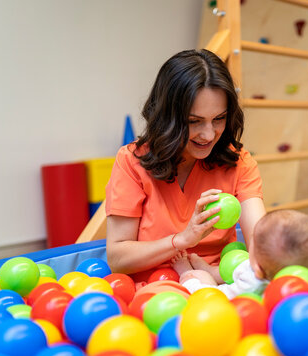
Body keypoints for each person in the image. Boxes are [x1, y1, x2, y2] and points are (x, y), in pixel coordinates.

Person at [105, 49, 266, 285]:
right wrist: (182, 239)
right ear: (167, 117)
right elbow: (118, 258)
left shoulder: (239, 161)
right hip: (155, 290)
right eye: (194, 121)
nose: (209, 134)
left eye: (219, 118)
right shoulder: (132, 161)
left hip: (220, 285)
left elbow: (260, 244)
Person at [172, 193, 308, 299]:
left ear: (258, 269)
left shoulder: (250, 284)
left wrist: (190, 283)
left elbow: (214, 297)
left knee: (200, 278)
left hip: (225, 284)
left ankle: (198, 272)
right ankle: (209, 269)